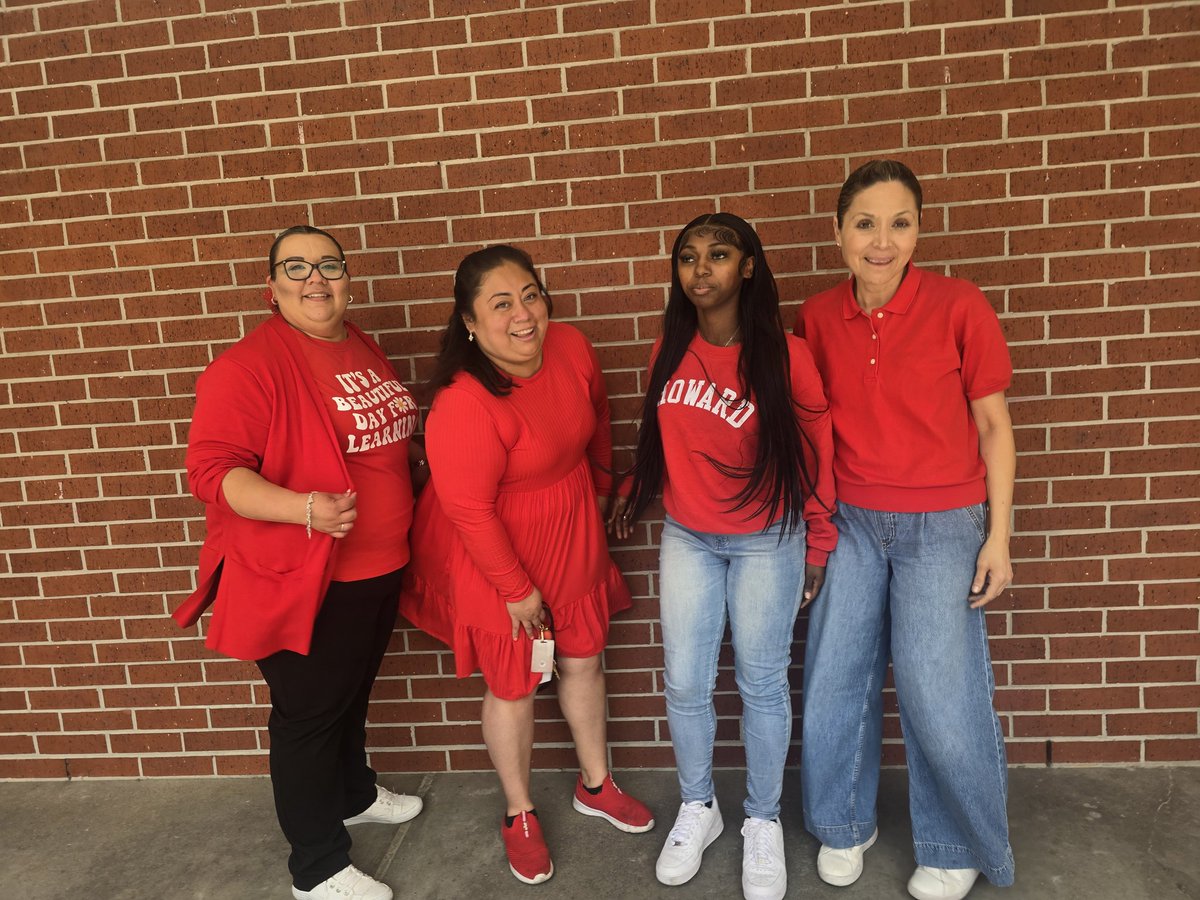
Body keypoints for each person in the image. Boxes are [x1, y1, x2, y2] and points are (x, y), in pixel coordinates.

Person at [175, 226, 426, 900]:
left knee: (349, 698)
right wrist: (302, 509)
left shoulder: (357, 342)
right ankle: (316, 868)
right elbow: (211, 472)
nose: (316, 279)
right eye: (297, 266)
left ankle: (352, 793)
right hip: (308, 575)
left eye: (330, 265)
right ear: (273, 285)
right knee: (308, 717)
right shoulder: (248, 367)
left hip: (378, 565)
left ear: (347, 278)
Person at [794, 159, 1016, 900]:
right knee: (836, 677)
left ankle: (956, 843)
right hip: (853, 521)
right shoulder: (819, 317)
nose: (881, 241)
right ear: (838, 233)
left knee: (938, 689)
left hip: (945, 524)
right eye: (865, 223)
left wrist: (999, 536)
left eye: (899, 222)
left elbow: (993, 426)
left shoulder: (960, 306)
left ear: (919, 229)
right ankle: (842, 822)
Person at [399, 245, 654, 886]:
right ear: (469, 322)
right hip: (496, 549)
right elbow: (469, 510)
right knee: (512, 683)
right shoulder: (465, 402)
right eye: (502, 303)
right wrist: (514, 588)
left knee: (583, 658)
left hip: (569, 525)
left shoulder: (570, 345)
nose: (524, 315)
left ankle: (596, 784)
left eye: (531, 295)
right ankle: (519, 812)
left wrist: (601, 492)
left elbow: (597, 416)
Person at [610, 213, 837, 900]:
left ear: (747, 267)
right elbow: (661, 444)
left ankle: (761, 821)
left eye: (717, 254)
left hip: (770, 538)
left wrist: (819, 543)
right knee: (684, 679)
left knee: (762, 682)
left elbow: (818, 454)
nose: (700, 268)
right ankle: (699, 807)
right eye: (686, 256)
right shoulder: (666, 352)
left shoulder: (786, 354)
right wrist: (633, 491)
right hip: (689, 536)